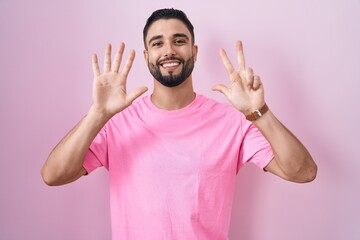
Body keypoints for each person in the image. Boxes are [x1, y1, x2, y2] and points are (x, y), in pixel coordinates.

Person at [41, 8, 317, 240]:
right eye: (157, 43)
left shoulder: (233, 122)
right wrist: (97, 114)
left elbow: (302, 172)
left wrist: (260, 112)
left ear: (194, 51)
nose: (169, 50)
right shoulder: (116, 123)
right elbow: (53, 175)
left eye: (179, 40)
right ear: (147, 54)